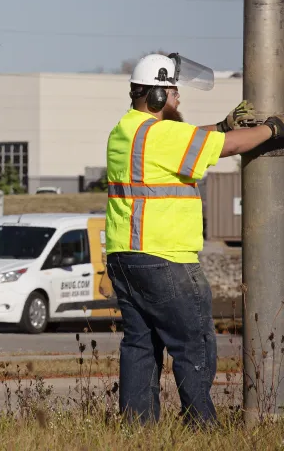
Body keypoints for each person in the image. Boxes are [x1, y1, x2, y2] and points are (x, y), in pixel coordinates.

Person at [105, 52, 284, 427]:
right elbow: (231, 147)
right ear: (155, 96)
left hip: (126, 258)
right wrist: (273, 130)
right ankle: (201, 426)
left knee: (140, 345)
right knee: (194, 344)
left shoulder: (125, 131)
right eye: (172, 91)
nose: (177, 97)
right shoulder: (163, 133)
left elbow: (189, 141)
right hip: (165, 257)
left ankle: (137, 429)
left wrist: (220, 125)